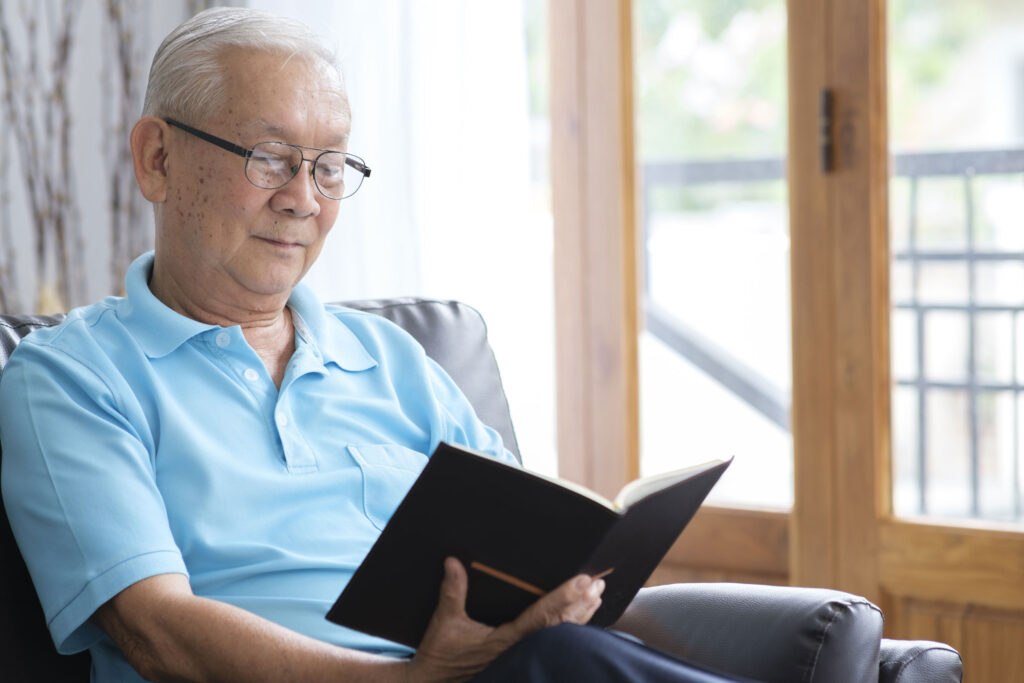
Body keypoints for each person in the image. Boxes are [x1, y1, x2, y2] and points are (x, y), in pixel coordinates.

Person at [0, 8, 744, 682]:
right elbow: (158, 632)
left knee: (572, 651)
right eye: (268, 155)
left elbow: (523, 554)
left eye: (329, 166)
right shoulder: (70, 377)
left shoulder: (397, 363)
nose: (304, 198)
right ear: (157, 158)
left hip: (507, 669)